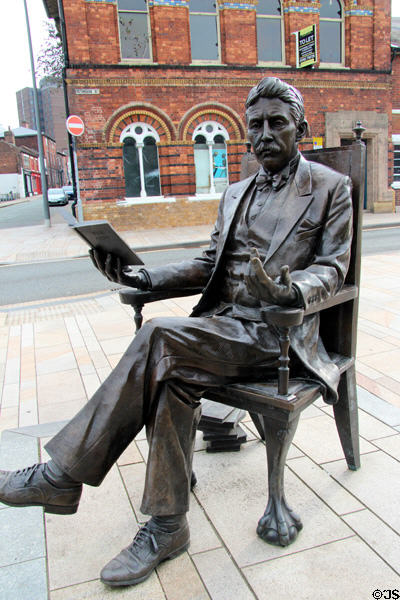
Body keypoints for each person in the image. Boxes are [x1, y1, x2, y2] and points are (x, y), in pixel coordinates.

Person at [0, 77, 352, 588]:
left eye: (278, 123)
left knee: (161, 340)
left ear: (301, 127)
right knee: (170, 376)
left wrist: (286, 290)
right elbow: (209, 263)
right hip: (221, 331)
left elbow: (333, 269)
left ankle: (61, 477)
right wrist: (143, 277)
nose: (265, 133)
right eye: (255, 124)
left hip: (277, 338)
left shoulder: (328, 188)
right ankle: (168, 525)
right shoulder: (235, 193)